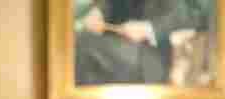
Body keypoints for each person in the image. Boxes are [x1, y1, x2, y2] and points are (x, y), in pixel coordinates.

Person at [75, 0, 210, 85]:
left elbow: (198, 14)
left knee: (81, 45)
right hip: (119, 48)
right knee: (80, 42)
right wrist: (99, 12)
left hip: (155, 57)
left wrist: (149, 28)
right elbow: (115, 3)